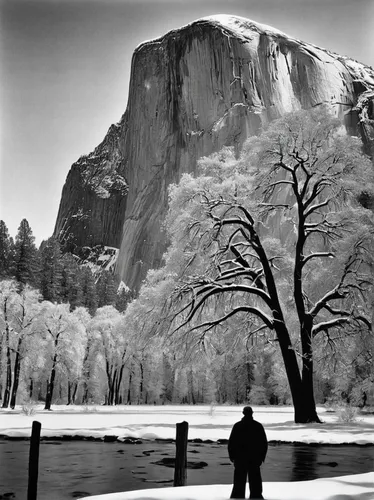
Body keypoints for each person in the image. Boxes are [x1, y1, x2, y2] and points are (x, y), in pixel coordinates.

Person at [228, 406, 268, 499]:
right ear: (252, 413)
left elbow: (232, 443)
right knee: (255, 480)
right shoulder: (258, 426)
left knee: (239, 480)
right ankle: (256, 496)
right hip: (254, 458)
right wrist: (262, 457)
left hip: (240, 458)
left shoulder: (237, 425)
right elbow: (263, 443)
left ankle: (237, 496)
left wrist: (232, 456)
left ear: (243, 413)